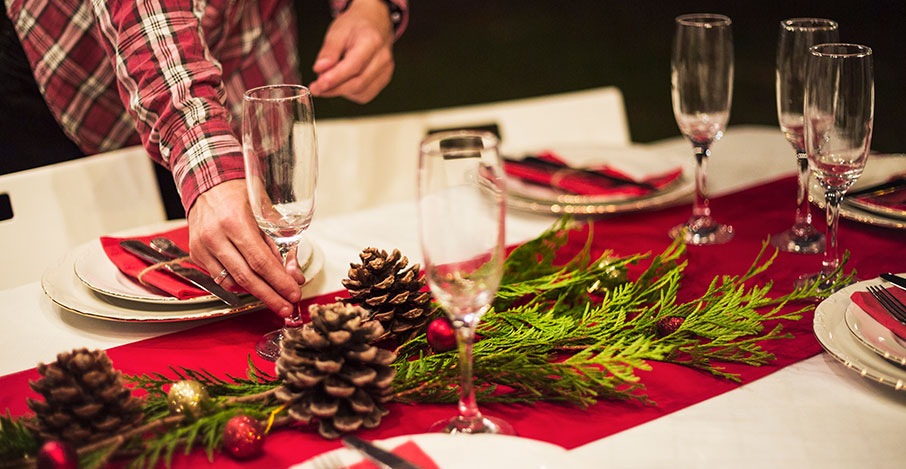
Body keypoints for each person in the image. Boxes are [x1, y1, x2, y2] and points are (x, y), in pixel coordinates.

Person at [1, 0, 408, 317]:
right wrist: (207, 166)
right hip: (72, 67)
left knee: (234, 266)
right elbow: (149, 16)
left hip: (242, 41)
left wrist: (369, 6)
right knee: (69, 288)